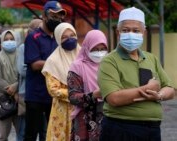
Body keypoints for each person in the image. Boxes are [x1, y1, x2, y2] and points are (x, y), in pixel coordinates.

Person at [97, 7, 175, 141]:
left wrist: (159, 95)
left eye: (136, 30)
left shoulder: (151, 58)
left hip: (153, 129)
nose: (131, 34)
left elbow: (170, 89)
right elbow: (114, 98)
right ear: (118, 32)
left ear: (143, 32)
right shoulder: (109, 61)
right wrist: (146, 90)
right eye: (126, 30)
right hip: (121, 128)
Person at [24, 1, 66, 140]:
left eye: (60, 16)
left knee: (52, 132)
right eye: (54, 16)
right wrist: (58, 62)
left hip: (54, 94)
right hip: (35, 94)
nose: (57, 19)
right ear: (44, 16)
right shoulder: (33, 37)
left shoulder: (60, 38)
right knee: (31, 133)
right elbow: (35, 64)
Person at [42, 22, 80, 141]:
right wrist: (77, 95)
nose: (69, 39)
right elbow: (54, 90)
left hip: (82, 109)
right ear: (58, 39)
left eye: (72, 35)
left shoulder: (83, 55)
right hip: (62, 111)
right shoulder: (53, 61)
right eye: (64, 37)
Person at [67, 30, 108, 141]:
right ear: (86, 47)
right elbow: (73, 97)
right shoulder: (77, 66)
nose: (99, 53)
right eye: (95, 49)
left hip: (108, 117)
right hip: (85, 119)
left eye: (103, 49)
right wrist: (94, 95)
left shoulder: (109, 65)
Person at [0, 30, 19, 141]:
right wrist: (12, 91)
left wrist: (16, 87)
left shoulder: (22, 56)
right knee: (2, 135)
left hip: (20, 99)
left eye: (12, 39)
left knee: (22, 133)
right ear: (1, 42)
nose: (9, 41)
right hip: (2, 100)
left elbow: (25, 75)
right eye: (6, 40)